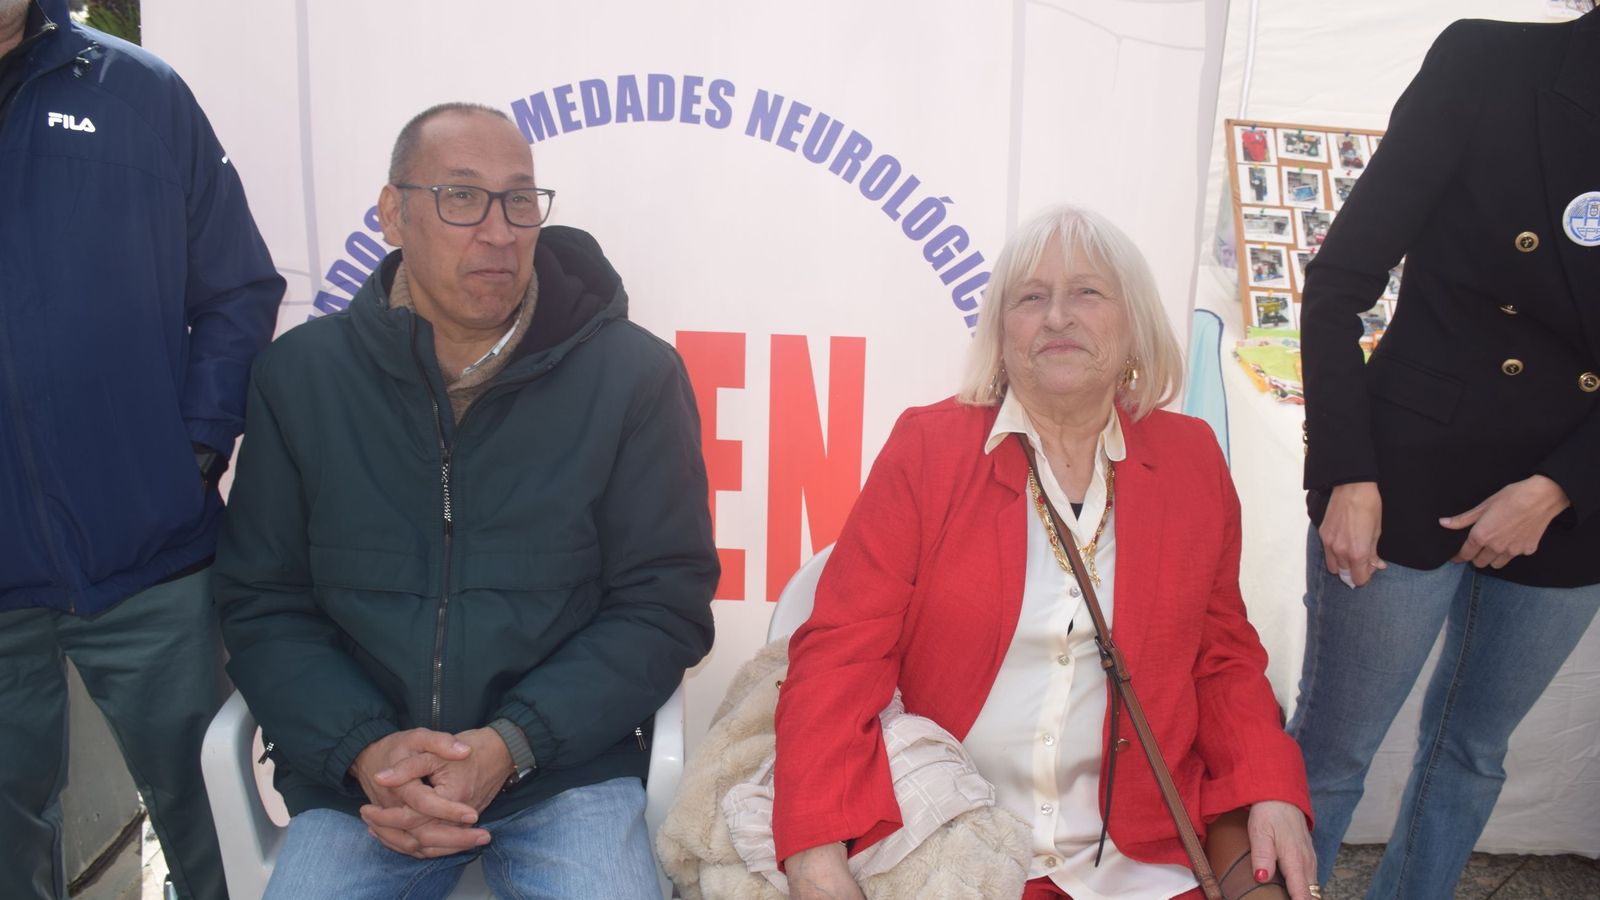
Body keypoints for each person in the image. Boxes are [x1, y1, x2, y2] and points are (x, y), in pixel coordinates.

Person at [213, 102, 717, 899]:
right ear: (392, 214)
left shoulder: (633, 378)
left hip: (563, 771)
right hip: (366, 791)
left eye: (520, 200)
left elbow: (665, 604)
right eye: (461, 197)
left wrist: (509, 744)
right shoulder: (302, 378)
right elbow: (262, 602)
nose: (500, 230)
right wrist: (367, 751)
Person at [773, 205, 1317, 900]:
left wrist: (1269, 787)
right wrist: (815, 854)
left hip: (1142, 857)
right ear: (1003, 335)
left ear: (1135, 328)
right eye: (1031, 298)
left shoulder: (1191, 461)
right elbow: (840, 654)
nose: (1058, 316)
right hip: (955, 846)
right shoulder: (928, 451)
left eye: (1087, 292)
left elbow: (1223, 656)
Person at [1292, 7, 1600, 898]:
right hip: (1405, 477)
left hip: (1573, 504)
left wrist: (1554, 490)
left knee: (1472, 754)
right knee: (1333, 751)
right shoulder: (1487, 62)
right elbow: (1339, 283)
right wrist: (1347, 472)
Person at [0, 1, 285, 897]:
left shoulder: (138, 92)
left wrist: (193, 451)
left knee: (210, 819)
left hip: (153, 561)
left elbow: (238, 287)